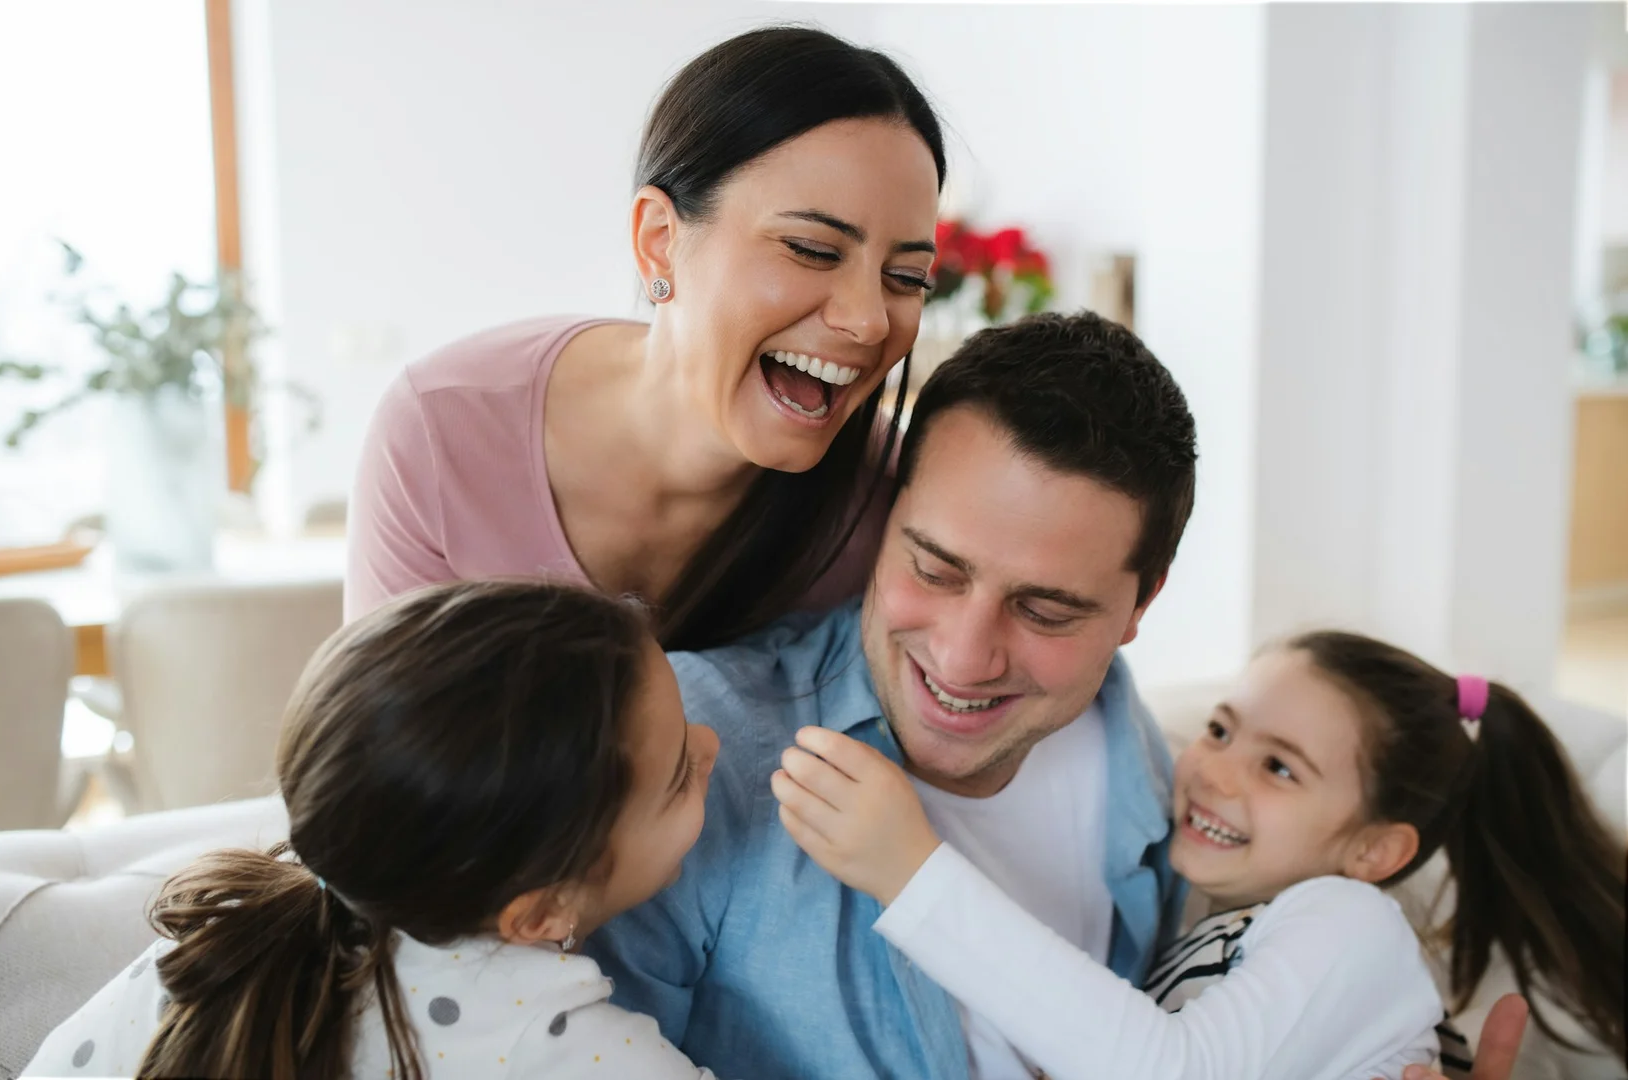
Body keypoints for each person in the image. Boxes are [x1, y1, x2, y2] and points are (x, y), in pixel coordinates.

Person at [587, 311, 1534, 1080]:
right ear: (888, 519)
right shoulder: (694, 746)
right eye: (936, 566)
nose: (963, 656)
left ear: (1139, 604)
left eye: (1046, 609)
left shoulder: (1153, 783)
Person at [774, 631, 1627, 1077]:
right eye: (1221, 729)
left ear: (1375, 850)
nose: (1214, 770)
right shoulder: (1223, 931)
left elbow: (1162, 1070)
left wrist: (910, 872)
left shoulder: (1353, 923)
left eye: (1279, 767)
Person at [345, 26, 946, 650]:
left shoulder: (891, 500)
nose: (871, 320)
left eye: (906, 277)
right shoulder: (443, 428)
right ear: (659, 240)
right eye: (812, 250)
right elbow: (376, 740)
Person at [23, 581, 722, 1079]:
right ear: (540, 912)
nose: (714, 742)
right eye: (681, 775)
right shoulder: (552, 1040)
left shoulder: (226, 931)